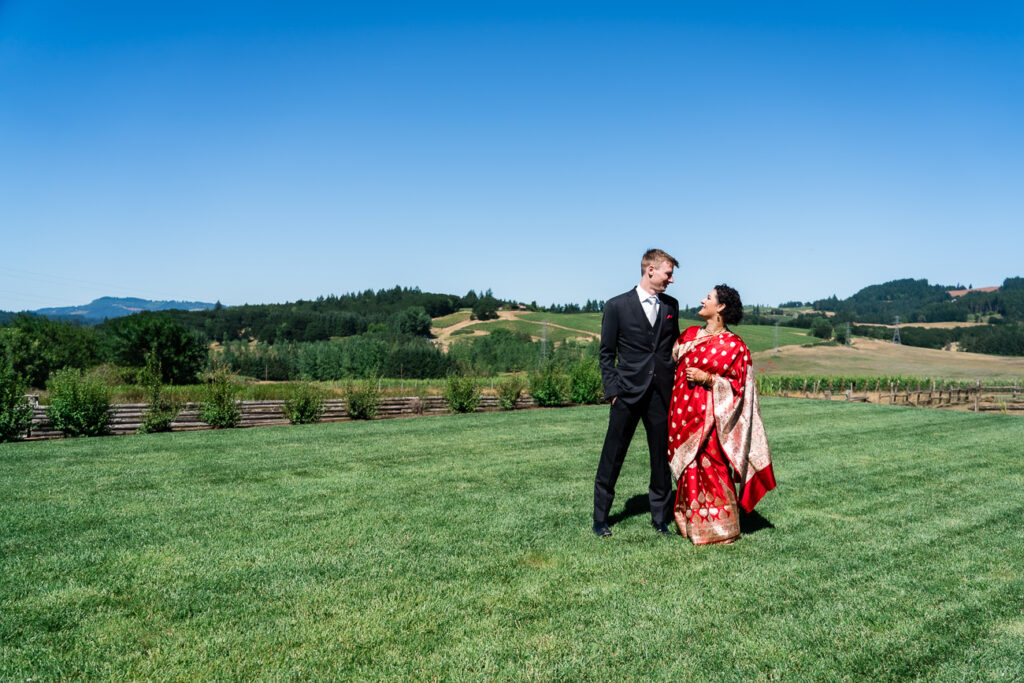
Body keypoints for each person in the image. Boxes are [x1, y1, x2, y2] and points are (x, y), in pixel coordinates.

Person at [668, 284, 776, 544]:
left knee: (712, 467)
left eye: (708, 298)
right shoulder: (689, 335)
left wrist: (709, 379)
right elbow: (672, 362)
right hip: (683, 415)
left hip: (713, 419)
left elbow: (741, 388)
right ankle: (692, 526)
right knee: (688, 470)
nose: (701, 300)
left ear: (721, 307)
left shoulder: (735, 346)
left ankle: (724, 530)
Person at [593, 248, 681, 537]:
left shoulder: (671, 306)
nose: (671, 280)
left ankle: (660, 518)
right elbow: (606, 353)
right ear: (651, 270)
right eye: (668, 273)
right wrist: (613, 391)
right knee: (613, 455)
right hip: (627, 394)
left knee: (660, 459)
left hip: (660, 395)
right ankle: (601, 519)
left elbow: (672, 348)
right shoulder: (616, 306)